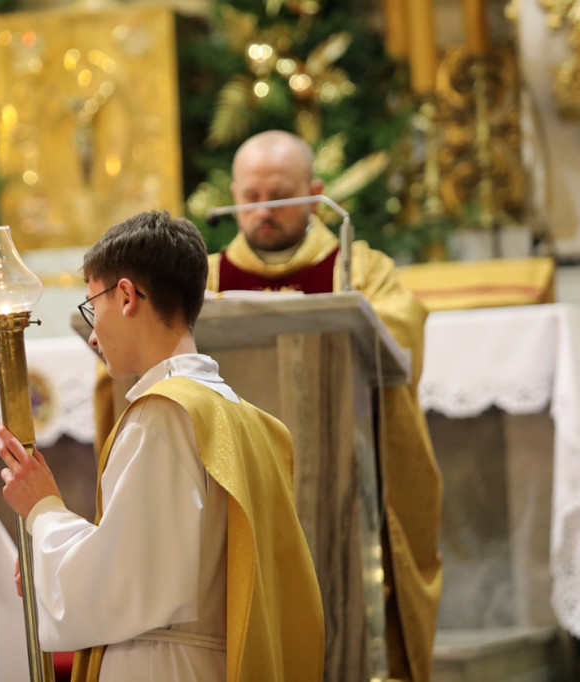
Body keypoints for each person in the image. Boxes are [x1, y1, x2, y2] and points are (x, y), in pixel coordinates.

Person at [0, 210, 325, 682]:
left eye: (93, 305)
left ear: (126, 295)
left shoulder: (165, 413)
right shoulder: (245, 418)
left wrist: (43, 511)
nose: (92, 333)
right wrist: (54, 568)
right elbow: (161, 556)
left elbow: (128, 585)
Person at [208, 129, 443, 682]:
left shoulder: (358, 268)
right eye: (250, 196)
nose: (263, 210)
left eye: (279, 196)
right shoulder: (207, 277)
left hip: (345, 472)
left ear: (315, 195)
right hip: (237, 479)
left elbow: (401, 329)